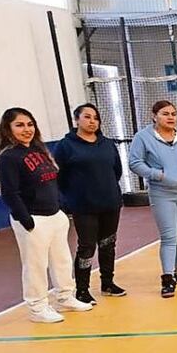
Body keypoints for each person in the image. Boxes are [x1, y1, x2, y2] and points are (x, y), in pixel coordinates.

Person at [0, 108, 93, 322]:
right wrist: (25, 219)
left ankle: (65, 296)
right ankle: (37, 307)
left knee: (61, 260)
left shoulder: (38, 151)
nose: (26, 129)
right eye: (19, 125)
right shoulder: (8, 158)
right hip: (33, 219)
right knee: (35, 265)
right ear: (8, 129)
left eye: (30, 124)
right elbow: (10, 192)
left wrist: (61, 210)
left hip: (54, 216)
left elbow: (51, 181)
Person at [129, 100, 177, 298]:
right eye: (165, 114)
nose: (171, 117)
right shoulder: (143, 137)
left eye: (173, 114)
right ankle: (167, 277)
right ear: (154, 116)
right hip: (162, 193)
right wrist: (158, 175)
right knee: (169, 236)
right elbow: (135, 163)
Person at [53, 103, 126, 304]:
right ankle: (82, 290)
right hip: (83, 206)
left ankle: (108, 283)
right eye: (87, 117)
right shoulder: (65, 146)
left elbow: (116, 171)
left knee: (108, 244)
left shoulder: (107, 144)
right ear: (77, 120)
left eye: (95, 117)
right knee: (86, 247)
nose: (92, 121)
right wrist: (70, 197)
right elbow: (58, 175)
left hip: (110, 203)